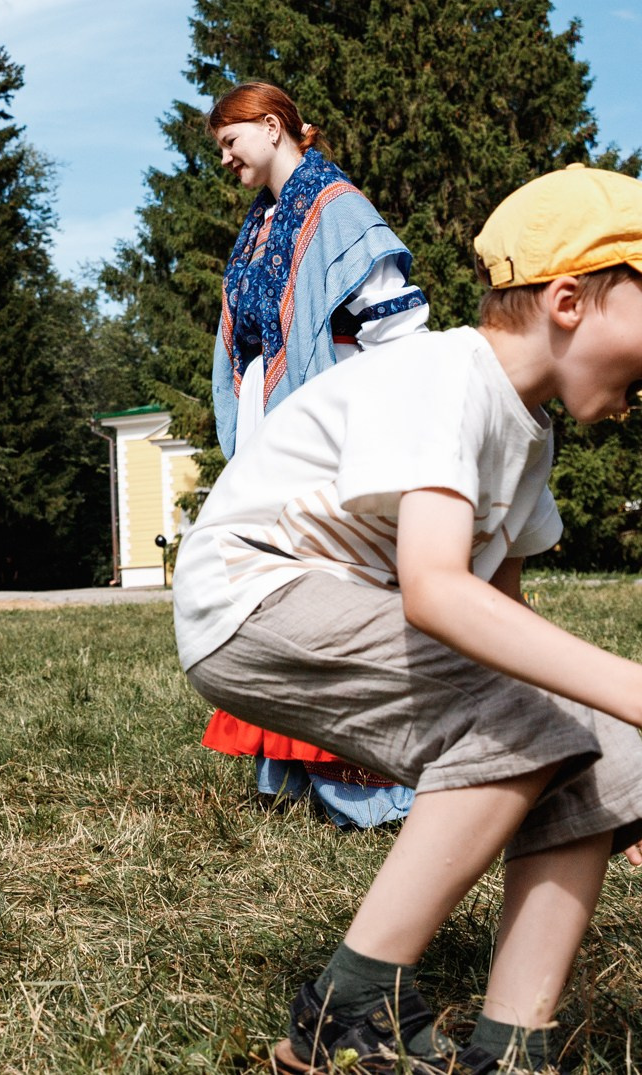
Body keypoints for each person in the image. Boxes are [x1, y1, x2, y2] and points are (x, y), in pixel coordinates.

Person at [174, 166, 642, 1074]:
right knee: (531, 722)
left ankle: (512, 1047)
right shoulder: (441, 375)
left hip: (334, 608)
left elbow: (502, 616)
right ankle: (349, 1008)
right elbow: (435, 589)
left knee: (582, 738)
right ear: (570, 300)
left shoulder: (528, 430)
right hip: (258, 595)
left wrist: (615, 759)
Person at [200, 81, 431, 827]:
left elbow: (397, 330)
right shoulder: (262, 221)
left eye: (231, 142)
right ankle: (290, 769)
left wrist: (371, 432)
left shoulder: (337, 208)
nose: (226, 159)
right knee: (281, 589)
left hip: (331, 431)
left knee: (335, 591)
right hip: (276, 431)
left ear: (271, 127)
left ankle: (366, 787)